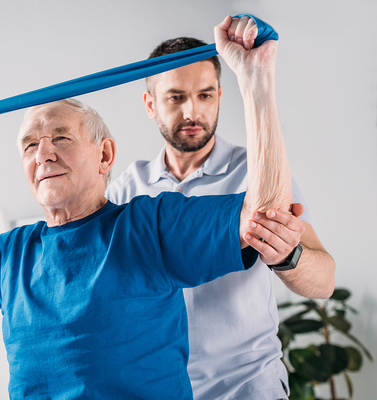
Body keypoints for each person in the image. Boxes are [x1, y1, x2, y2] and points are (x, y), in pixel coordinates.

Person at [0, 16, 300, 399]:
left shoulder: (149, 226)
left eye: (60, 137)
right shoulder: (11, 255)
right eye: (29, 145)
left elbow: (267, 215)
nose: (43, 154)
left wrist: (257, 80)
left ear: (104, 156)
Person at [104, 16, 336, 400]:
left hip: (248, 386)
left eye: (205, 95)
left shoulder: (260, 172)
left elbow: (324, 280)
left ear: (220, 97)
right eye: (175, 97)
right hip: (159, 388)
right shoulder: (126, 189)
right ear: (150, 104)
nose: (192, 111)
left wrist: (288, 255)